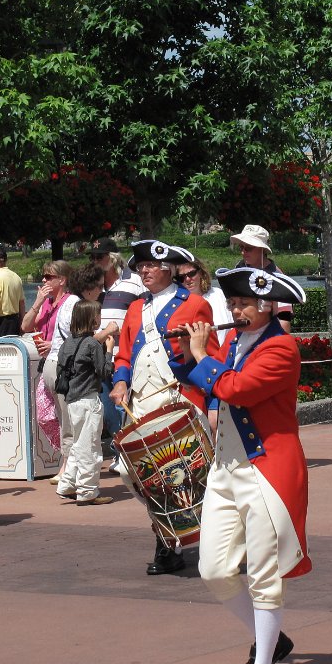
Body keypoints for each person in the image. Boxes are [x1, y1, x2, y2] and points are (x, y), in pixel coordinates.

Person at [180, 266, 311, 664]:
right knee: (213, 569)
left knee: (263, 574)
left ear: (267, 306)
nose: (236, 311)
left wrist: (201, 355)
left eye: (245, 305)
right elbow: (204, 387)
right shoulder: (235, 342)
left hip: (267, 471)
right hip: (226, 468)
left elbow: (235, 389)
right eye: (232, 304)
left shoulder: (282, 348)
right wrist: (184, 351)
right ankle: (270, 638)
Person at [110, 239, 219, 575]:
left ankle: (203, 542)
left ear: (168, 269)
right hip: (141, 402)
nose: (144, 271)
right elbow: (124, 354)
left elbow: (211, 356)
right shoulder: (134, 308)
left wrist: (213, 402)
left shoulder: (195, 305)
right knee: (138, 475)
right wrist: (120, 381)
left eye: (150, 265)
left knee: (192, 475)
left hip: (179, 400)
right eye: (140, 266)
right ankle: (165, 536)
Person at [54, 300, 115, 505]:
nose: (100, 320)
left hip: (72, 401)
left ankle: (67, 484)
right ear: (92, 319)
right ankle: (88, 491)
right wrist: (109, 351)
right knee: (90, 447)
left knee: (79, 445)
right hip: (88, 399)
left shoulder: (66, 344)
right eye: (98, 316)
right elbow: (105, 371)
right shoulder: (91, 344)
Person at [21, 259, 74, 458]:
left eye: (49, 277)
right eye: (44, 276)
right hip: (47, 365)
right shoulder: (46, 304)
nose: (44, 280)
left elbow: (78, 335)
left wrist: (54, 344)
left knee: (64, 415)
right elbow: (25, 327)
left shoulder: (70, 302)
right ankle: (65, 456)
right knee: (44, 416)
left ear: (62, 279)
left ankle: (66, 463)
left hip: (62, 366)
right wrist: (37, 302)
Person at [93, 238, 143, 440]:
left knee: (126, 408)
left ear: (112, 259)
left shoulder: (135, 282)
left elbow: (145, 315)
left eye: (99, 257)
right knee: (108, 410)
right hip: (98, 359)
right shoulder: (92, 286)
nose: (95, 261)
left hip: (125, 358)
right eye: (92, 256)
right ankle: (118, 451)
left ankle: (129, 454)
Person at [229, 225, 294, 333]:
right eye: (241, 247)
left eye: (248, 248)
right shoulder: (238, 269)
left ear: (262, 249)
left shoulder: (276, 275)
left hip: (267, 335)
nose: (243, 252)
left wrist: (281, 343)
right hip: (242, 332)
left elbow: (284, 317)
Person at [177, 257, 230, 345]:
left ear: (201, 273)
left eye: (192, 273)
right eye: (181, 277)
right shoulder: (179, 303)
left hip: (227, 350)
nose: (187, 279)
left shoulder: (218, 293)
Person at [0, 247, 25, 337]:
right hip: (15, 321)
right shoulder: (16, 277)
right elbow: (21, 302)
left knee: (1, 349)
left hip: (1, 323)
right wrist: (22, 322)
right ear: (6, 260)